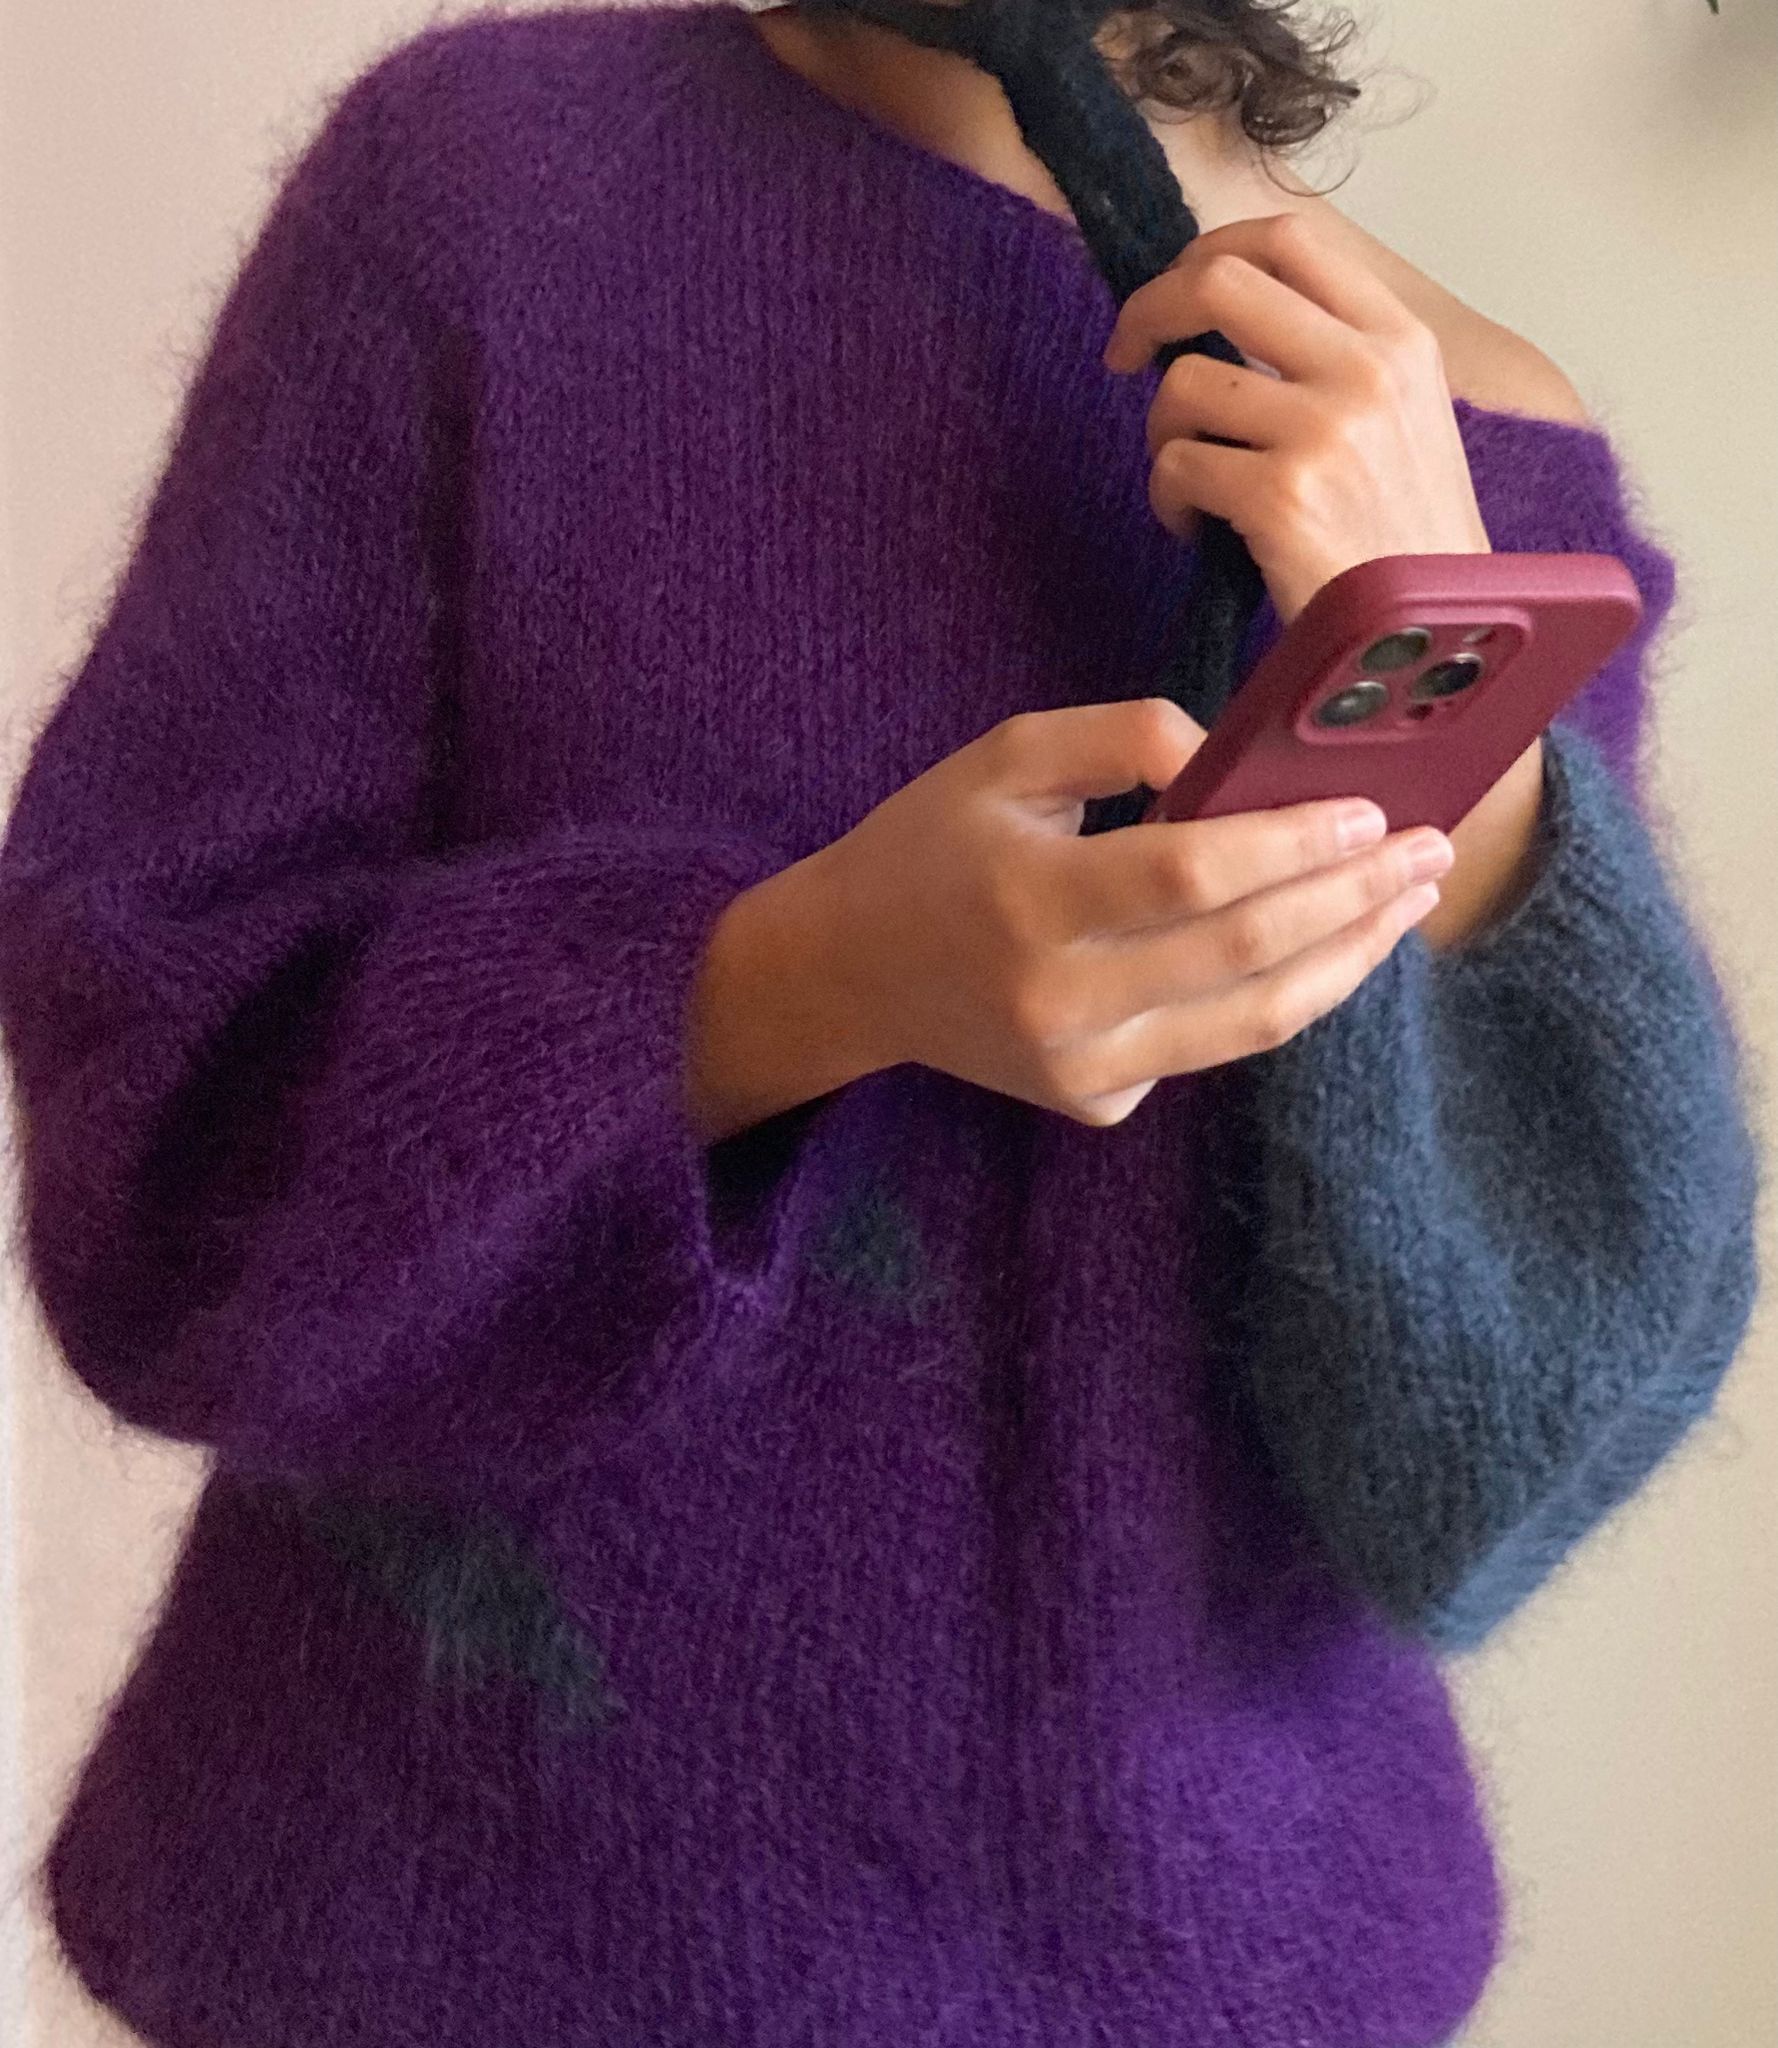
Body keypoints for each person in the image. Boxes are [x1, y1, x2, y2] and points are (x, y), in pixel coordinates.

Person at [0, 4, 1759, 2045]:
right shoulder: (487, 194)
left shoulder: (1486, 460)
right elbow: (162, 1145)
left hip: (1220, 1977)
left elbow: (1502, 1468)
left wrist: (1436, 645)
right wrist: (789, 983)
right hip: (437, 1938)